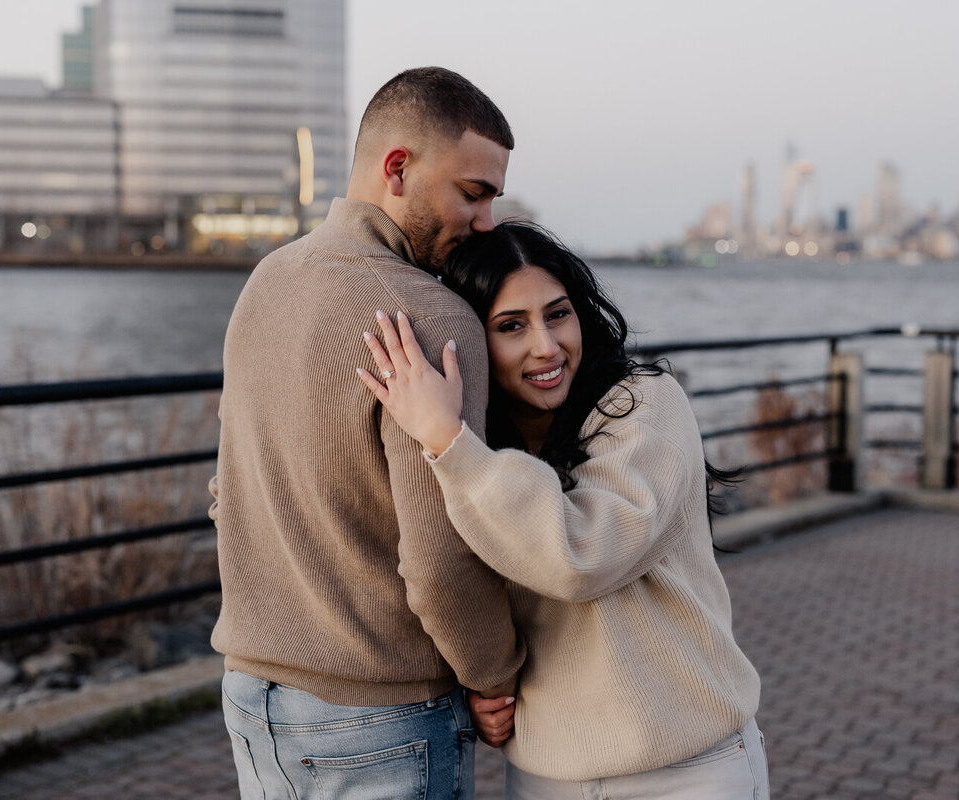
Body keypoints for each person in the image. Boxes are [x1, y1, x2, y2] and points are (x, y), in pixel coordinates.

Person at [357, 222, 768, 799]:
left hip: (687, 770)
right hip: (544, 776)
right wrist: (482, 684)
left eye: (558, 314)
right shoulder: (477, 444)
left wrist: (447, 439)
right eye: (511, 327)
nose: (546, 346)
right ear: (472, 340)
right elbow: (449, 577)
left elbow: (581, 555)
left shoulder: (645, 406)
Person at [208, 67, 525, 800]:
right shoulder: (433, 319)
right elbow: (442, 561)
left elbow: (228, 491)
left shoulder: (266, 282)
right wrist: (492, 675)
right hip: (378, 716)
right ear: (397, 169)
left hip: (253, 699)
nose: (485, 221)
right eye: (472, 193)